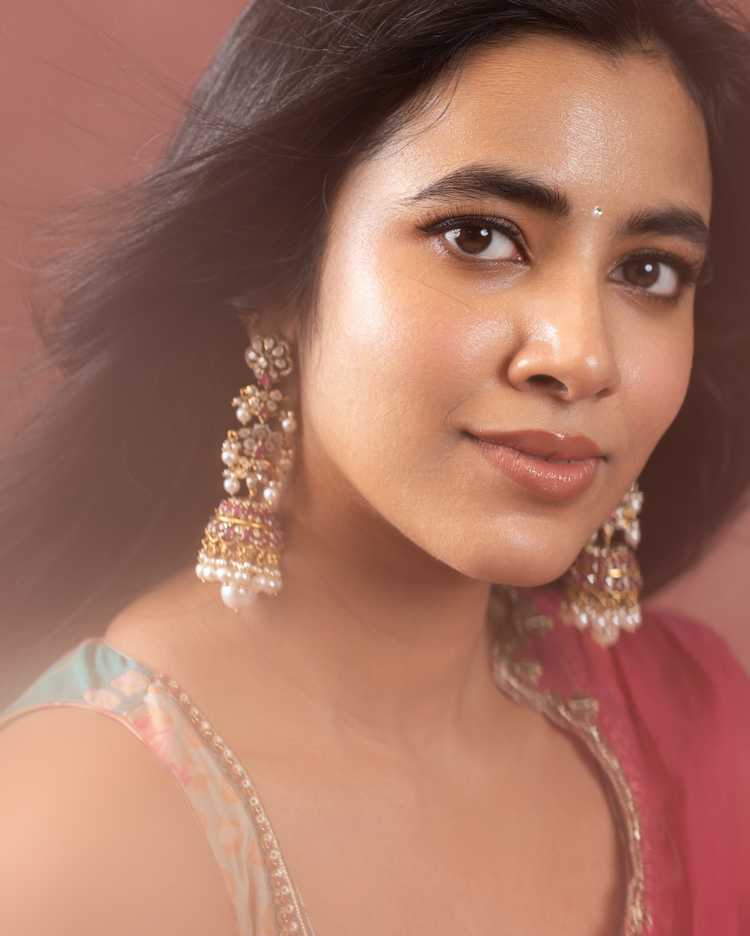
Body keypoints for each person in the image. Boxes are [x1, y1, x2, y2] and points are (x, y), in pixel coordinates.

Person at [1, 1, 749, 933]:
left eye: (648, 272)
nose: (584, 357)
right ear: (273, 271)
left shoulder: (700, 727)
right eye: (479, 237)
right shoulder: (82, 827)